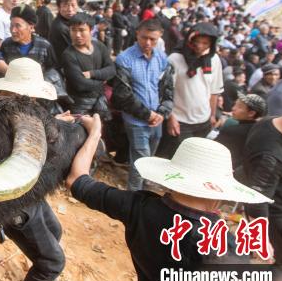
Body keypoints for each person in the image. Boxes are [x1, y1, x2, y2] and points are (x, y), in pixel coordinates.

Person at [67, 129, 271, 281]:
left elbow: (77, 180)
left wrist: (94, 133)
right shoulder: (223, 245)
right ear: (220, 192)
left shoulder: (137, 207)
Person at [0, 58, 65, 281]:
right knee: (52, 262)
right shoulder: (4, 119)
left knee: (55, 231)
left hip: (31, 192)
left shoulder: (16, 111)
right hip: (16, 203)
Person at [111, 18, 174, 190]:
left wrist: (162, 113)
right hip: (136, 119)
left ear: (159, 37)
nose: (147, 42)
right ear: (137, 33)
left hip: (157, 118)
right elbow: (123, 94)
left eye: (152, 39)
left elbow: (167, 88)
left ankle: (145, 185)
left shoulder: (161, 58)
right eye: (144, 37)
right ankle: (134, 194)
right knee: (141, 159)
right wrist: (147, 115)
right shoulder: (125, 59)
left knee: (149, 157)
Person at [159, 23, 224, 159]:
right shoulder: (175, 59)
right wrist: (171, 117)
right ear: (190, 40)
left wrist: (212, 115)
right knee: (172, 158)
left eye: (205, 43)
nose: (200, 46)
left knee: (190, 159)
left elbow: (214, 90)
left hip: (203, 121)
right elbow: (165, 91)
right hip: (180, 121)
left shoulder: (214, 59)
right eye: (197, 42)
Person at [241, 113, 282, 266]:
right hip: (279, 222)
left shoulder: (269, 121)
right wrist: (261, 241)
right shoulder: (270, 157)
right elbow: (256, 201)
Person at [61, 12, 115, 118]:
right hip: (80, 105)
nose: (77, 35)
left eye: (81, 30)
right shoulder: (68, 55)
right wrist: (103, 81)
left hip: (100, 101)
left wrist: (92, 73)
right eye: (73, 30)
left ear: (90, 30)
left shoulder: (99, 46)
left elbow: (112, 70)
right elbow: (81, 85)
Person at [215, 93, 267, 169]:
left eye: (239, 106)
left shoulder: (232, 131)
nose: (233, 108)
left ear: (251, 113)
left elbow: (214, 149)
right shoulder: (260, 130)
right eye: (235, 104)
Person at [47, 0, 79, 66]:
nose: (70, 9)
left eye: (73, 5)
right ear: (59, 7)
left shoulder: (74, 21)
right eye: (65, 5)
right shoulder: (60, 28)